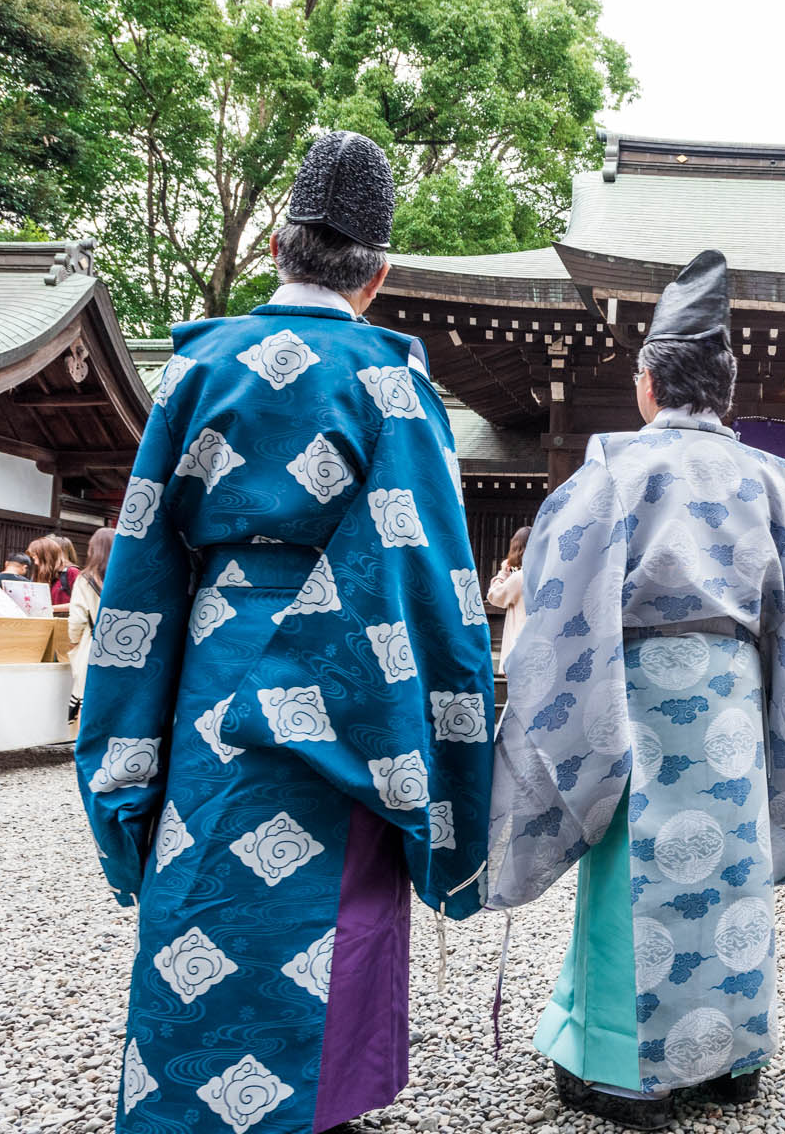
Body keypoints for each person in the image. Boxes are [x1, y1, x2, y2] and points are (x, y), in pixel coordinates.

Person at [74, 130, 496, 1134]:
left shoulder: (197, 368)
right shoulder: (393, 382)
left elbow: (138, 558)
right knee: (334, 889)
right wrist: (451, 724)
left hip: (212, 659)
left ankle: (185, 1094)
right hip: (355, 677)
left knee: (202, 865)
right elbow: (431, 568)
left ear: (276, 244)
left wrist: (128, 735)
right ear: (379, 275)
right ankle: (320, 1102)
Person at [487, 250, 785, 1128]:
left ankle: (622, 1064)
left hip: (632, 698)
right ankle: (732, 1056)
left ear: (648, 385)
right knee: (729, 867)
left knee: (633, 861)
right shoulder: (771, 484)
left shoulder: (613, 472)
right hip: (733, 701)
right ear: (722, 392)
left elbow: (559, 593)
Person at [67, 526, 114, 721]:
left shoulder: (86, 579)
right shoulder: (129, 576)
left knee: (86, 704)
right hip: (127, 646)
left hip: (93, 646)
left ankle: (85, 750)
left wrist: (73, 640)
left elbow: (77, 618)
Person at [485, 526, 532, 661]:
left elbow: (494, 596)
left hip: (520, 646)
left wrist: (503, 574)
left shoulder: (520, 577)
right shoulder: (547, 573)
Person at [27, 535, 80, 613]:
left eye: (35, 558)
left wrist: (49, 608)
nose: (35, 563)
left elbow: (81, 604)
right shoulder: (47, 574)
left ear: (46, 556)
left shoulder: (72, 572)